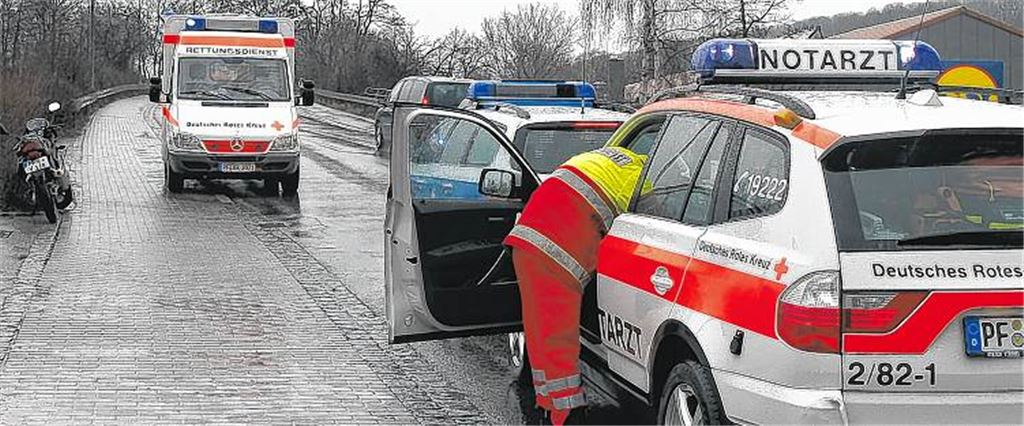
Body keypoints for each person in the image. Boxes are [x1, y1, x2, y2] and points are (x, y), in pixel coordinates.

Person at [504, 146, 647, 425]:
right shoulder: (642, 180)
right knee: (558, 339)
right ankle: (566, 415)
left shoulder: (611, 157)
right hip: (558, 254)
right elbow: (646, 229)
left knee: (541, 332)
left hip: (527, 241)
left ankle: (548, 405)